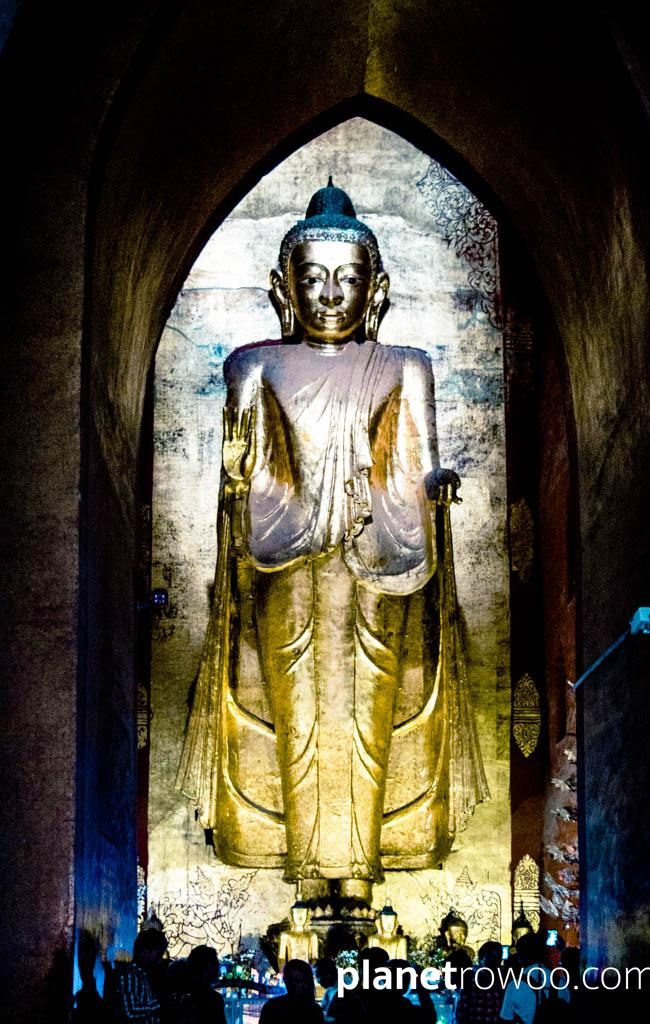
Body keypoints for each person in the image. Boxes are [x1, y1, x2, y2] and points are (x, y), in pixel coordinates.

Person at [178, 179, 488, 899]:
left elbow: (414, 458)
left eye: (347, 280)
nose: (328, 295)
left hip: (379, 552)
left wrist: (433, 484)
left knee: (366, 716)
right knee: (300, 718)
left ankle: (361, 875)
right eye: (311, 278)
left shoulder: (405, 364)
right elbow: (247, 467)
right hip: (282, 554)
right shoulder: (253, 365)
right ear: (282, 287)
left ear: (374, 288)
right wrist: (236, 477)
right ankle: (305, 871)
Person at [499, 934, 570, 1024]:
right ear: (545, 953)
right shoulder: (561, 983)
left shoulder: (514, 986)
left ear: (520, 957)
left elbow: (506, 1018)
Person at [113, 929, 168, 1023]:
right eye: (158, 955)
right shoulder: (130, 975)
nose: (160, 960)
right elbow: (131, 1012)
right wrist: (160, 1003)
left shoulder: (143, 975)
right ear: (144, 952)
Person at [259, 958, 324, 1023]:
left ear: (305, 983)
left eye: (297, 981)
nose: (293, 985)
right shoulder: (271, 1007)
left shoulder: (271, 1006)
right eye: (290, 980)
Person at [456, 940, 504, 1023]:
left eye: (497, 958)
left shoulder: (502, 981)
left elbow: (461, 1013)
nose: (495, 962)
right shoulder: (471, 982)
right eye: (492, 958)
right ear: (482, 959)